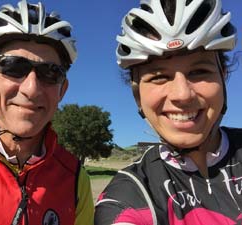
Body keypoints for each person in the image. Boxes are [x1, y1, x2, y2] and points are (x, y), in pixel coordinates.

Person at [0, 1, 94, 224]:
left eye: (51, 73)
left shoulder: (75, 178)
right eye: (14, 67)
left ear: (62, 90)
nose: (31, 89)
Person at [95, 0, 240, 224]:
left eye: (199, 71)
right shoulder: (129, 195)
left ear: (223, 76)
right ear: (137, 95)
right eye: (159, 77)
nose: (182, 95)